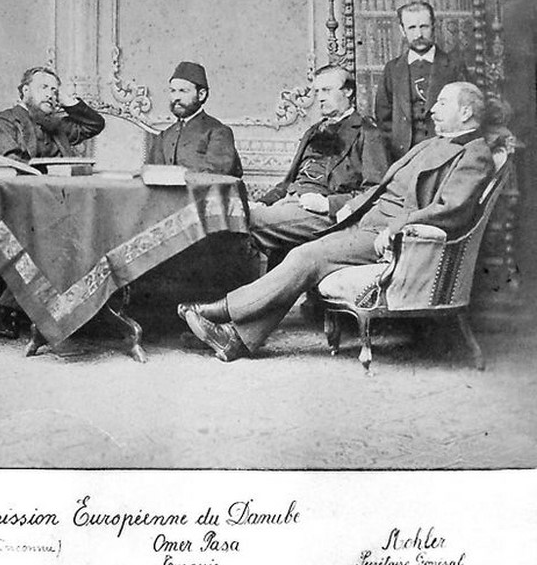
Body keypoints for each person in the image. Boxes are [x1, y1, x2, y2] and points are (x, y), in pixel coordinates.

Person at [179, 82, 495, 362]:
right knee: (305, 257)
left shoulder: (474, 154)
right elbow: (381, 189)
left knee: (306, 256)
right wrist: (351, 208)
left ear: (466, 112)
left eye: (442, 103)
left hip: (389, 233)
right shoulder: (431, 143)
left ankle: (222, 309)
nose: (432, 109)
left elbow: (450, 209)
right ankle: (237, 338)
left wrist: (396, 227)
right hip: (365, 219)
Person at [249, 65, 390, 255]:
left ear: (348, 91)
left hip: (322, 212)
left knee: (243, 223)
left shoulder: (368, 132)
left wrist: (328, 204)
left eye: (327, 90)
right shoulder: (314, 131)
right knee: (234, 218)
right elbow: (289, 181)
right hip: (289, 203)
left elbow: (376, 189)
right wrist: (264, 202)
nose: (320, 98)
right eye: (317, 92)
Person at [375, 1, 468, 159]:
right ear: (402, 30)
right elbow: (383, 118)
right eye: (411, 28)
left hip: (444, 153)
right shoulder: (392, 69)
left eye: (424, 27)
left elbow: (467, 112)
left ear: (434, 26)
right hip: (403, 156)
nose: (418, 34)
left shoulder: (454, 66)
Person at [0, 66, 105, 162]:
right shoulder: (4, 121)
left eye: (54, 91)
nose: (50, 95)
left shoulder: (56, 125)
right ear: (26, 91)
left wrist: (67, 101)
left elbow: (95, 124)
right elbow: (9, 166)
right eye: (44, 87)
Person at [145, 61, 242, 177]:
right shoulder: (164, 136)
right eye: (173, 91)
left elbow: (216, 176)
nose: (176, 97)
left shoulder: (218, 132)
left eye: (183, 91)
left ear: (201, 95)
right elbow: (151, 174)